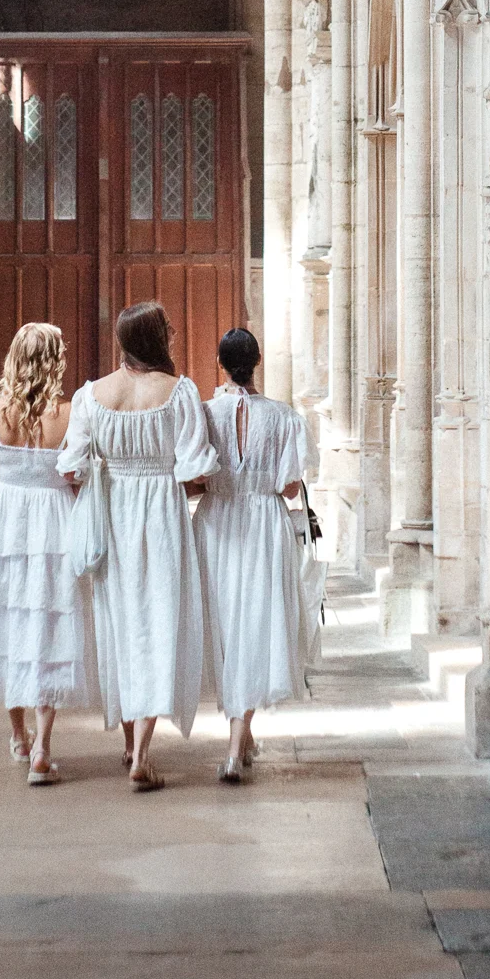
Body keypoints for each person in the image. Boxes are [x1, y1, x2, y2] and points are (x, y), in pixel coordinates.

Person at [58, 299, 218, 790]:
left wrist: (107, 482)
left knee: (121, 628)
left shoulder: (91, 395)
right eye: (167, 331)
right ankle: (142, 755)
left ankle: (131, 742)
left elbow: (70, 466)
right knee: (158, 625)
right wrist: (177, 482)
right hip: (162, 518)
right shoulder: (180, 392)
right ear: (157, 338)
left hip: (112, 517)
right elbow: (196, 469)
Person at [0, 322, 97, 786]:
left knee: (9, 622)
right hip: (56, 521)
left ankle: (17, 737)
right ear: (56, 361)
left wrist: (6, 466)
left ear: (14, 358)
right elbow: (78, 474)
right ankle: (43, 745)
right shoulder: (72, 413)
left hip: (6, 525)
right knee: (49, 625)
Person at [193, 326, 317, 784]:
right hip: (264, 522)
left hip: (218, 522)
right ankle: (237, 744)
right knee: (254, 624)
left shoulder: (206, 414)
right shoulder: (283, 417)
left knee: (226, 624)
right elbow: (288, 486)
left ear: (220, 364)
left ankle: (236, 740)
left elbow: (196, 478)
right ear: (257, 362)